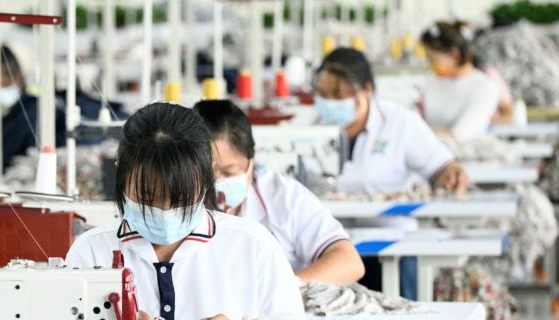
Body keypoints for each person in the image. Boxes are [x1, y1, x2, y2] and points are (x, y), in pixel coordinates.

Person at [47, 103, 314, 320]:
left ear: (208, 173)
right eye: (148, 197)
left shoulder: (253, 246)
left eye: (182, 198)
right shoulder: (90, 252)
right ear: (120, 172)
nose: (165, 210)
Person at [313, 48, 469, 300]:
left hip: (390, 245)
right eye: (322, 94)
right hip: (326, 248)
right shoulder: (308, 124)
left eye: (338, 95)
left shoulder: (400, 123)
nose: (328, 102)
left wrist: (452, 175)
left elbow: (442, 167)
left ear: (365, 90)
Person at [193, 99, 364, 285]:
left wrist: (284, 291)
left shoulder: (284, 197)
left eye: (229, 172)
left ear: (252, 157)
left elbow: (349, 262)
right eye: (207, 174)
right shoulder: (174, 202)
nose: (217, 182)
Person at [420, 21, 500, 140]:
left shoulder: (484, 87)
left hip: (466, 153)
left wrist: (416, 134)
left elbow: (459, 134)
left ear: (454, 55)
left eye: (433, 59)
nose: (429, 64)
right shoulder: (430, 80)